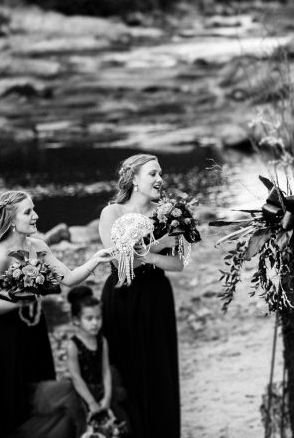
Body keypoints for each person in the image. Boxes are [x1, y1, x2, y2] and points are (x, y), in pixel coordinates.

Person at [0, 190, 114, 438]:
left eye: (34, 209)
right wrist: (20, 299)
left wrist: (95, 260)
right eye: (28, 212)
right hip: (9, 339)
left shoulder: (39, 246)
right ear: (10, 219)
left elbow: (70, 279)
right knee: (14, 403)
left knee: (43, 401)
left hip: (36, 332)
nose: (35, 216)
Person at [99, 153, 183, 438]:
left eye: (161, 173)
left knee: (159, 369)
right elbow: (121, 261)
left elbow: (178, 264)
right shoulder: (112, 213)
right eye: (153, 173)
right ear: (134, 178)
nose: (160, 179)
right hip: (122, 298)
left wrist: (149, 256)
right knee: (126, 367)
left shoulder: (169, 213)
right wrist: (157, 247)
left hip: (156, 297)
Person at [66, 286, 129, 434]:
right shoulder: (73, 345)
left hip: (103, 390)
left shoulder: (102, 341)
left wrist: (107, 397)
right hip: (82, 395)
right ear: (76, 320)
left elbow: (106, 370)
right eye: (89, 318)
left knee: (111, 427)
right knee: (85, 429)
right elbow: (76, 377)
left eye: (98, 317)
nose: (95, 323)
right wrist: (91, 403)